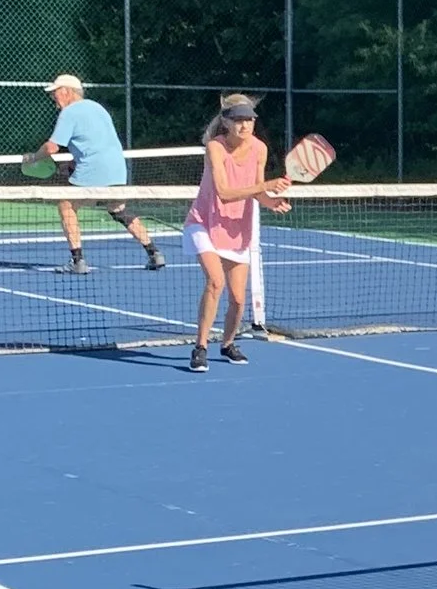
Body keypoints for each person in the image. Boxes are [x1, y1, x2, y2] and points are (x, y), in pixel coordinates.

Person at [185, 95, 287, 369]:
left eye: (249, 120)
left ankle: (227, 344)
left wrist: (271, 200)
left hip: (236, 228)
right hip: (204, 222)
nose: (244, 126)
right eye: (238, 120)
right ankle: (200, 347)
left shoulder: (259, 149)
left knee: (239, 299)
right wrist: (265, 186)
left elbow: (256, 190)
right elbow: (225, 193)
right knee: (215, 282)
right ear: (226, 122)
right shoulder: (215, 148)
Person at [41, 76, 166, 274]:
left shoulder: (69, 112)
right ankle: (154, 253)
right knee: (118, 210)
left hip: (93, 170)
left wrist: (34, 157)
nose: (52, 97)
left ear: (66, 91)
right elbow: (98, 143)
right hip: (116, 169)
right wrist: (73, 163)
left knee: (66, 205)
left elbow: (52, 147)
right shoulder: (98, 108)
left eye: (55, 92)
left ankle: (77, 261)